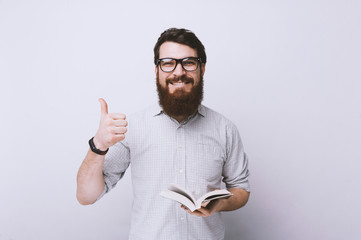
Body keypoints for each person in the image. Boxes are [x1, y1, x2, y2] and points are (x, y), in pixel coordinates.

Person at [76, 28, 250, 240]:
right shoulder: (133, 127)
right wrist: (98, 145)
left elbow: (241, 190)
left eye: (189, 62)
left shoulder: (224, 129)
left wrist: (221, 203)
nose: (178, 72)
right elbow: (86, 196)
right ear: (157, 70)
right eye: (168, 63)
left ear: (201, 69)